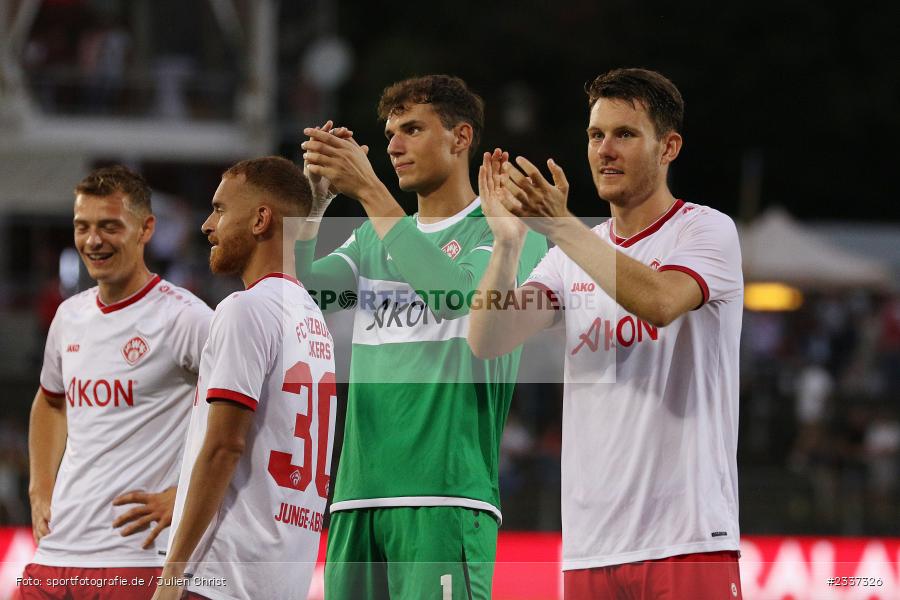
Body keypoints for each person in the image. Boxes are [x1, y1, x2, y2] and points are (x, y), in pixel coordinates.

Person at [467, 68, 744, 599]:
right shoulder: (568, 255)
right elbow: (489, 339)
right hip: (591, 547)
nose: (605, 150)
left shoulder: (706, 230)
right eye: (596, 135)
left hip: (686, 538)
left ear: (669, 147)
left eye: (625, 134)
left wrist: (561, 226)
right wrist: (506, 245)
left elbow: (660, 303)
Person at [297, 75, 547, 599]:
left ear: (460, 138)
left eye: (412, 129)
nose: (393, 146)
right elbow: (301, 296)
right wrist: (314, 208)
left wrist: (369, 189)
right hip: (357, 496)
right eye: (390, 133)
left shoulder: (508, 232)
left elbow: (453, 297)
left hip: (445, 498)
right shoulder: (371, 238)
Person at [19, 166, 212, 599]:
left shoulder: (187, 319)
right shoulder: (69, 316)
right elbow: (51, 401)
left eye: (109, 226)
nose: (93, 241)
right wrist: (40, 488)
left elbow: (249, 411)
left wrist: (185, 494)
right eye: (82, 227)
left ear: (146, 229)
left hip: (138, 558)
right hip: (57, 551)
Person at [152, 156, 335, 600]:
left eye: (219, 209)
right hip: (282, 582)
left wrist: (173, 574)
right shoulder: (314, 322)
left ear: (260, 220)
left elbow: (224, 447)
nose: (207, 225)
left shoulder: (245, 309)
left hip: (223, 576)